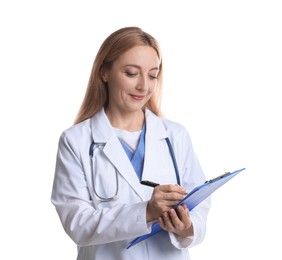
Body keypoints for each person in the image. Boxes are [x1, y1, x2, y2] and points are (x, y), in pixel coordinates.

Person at [51, 26, 211, 260]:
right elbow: (77, 224)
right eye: (131, 73)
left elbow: (201, 209)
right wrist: (146, 211)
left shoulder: (175, 136)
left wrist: (185, 227)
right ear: (104, 72)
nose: (144, 86)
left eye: (152, 75)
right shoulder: (76, 141)